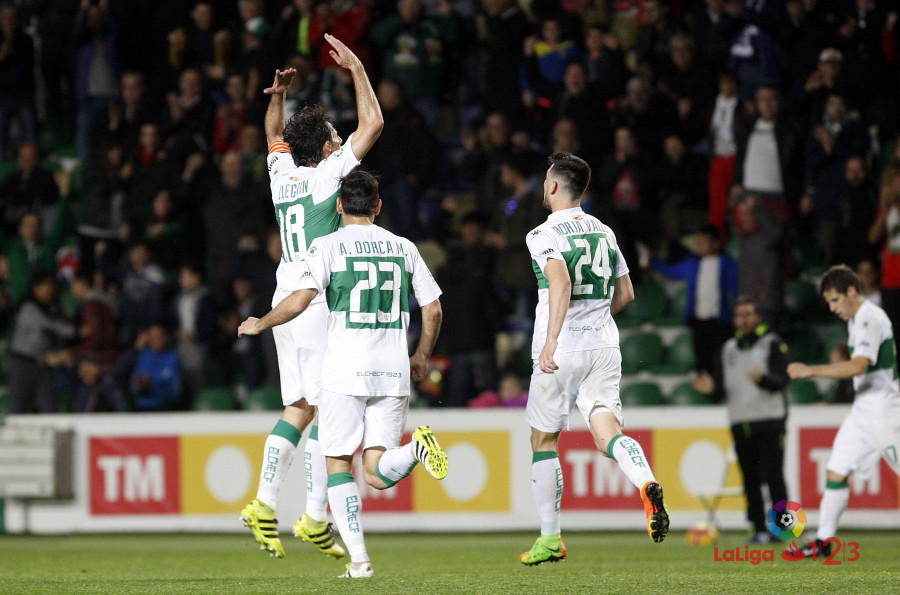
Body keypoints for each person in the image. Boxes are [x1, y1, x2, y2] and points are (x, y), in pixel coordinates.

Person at [238, 169, 448, 579]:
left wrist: (261, 323)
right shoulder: (404, 246)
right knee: (377, 470)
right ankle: (415, 451)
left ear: (338, 206)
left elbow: (299, 302)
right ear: (379, 206)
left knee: (339, 466)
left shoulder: (327, 245)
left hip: (344, 372)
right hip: (393, 372)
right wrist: (422, 354)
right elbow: (434, 308)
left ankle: (361, 562)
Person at [239, 33, 383, 560]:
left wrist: (276, 98)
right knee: (332, 407)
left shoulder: (282, 175)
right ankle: (315, 513)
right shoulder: (327, 179)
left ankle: (263, 502)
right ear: (326, 148)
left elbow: (273, 133)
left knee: (299, 404)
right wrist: (359, 70)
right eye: (334, 135)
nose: (340, 137)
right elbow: (374, 125)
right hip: (314, 298)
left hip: (284, 292)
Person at [520, 153, 669, 566]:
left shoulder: (541, 233)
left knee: (543, 440)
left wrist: (552, 340)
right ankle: (646, 481)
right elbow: (626, 294)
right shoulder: (604, 231)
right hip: (605, 346)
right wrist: (595, 319)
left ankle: (550, 538)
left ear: (552, 187)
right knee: (607, 431)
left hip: (562, 348)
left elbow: (560, 279)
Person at [787, 265, 900, 559]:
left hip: (885, 413)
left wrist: (810, 370)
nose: (832, 308)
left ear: (852, 292)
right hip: (863, 410)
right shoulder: (856, 320)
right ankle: (824, 542)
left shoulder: (869, 319)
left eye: (835, 300)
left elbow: (858, 366)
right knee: (836, 470)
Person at [693, 297, 790, 543]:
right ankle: (757, 529)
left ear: (758, 317)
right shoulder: (728, 349)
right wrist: (709, 390)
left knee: (774, 477)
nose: (743, 320)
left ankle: (781, 529)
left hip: (769, 419)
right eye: (739, 315)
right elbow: (722, 387)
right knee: (750, 480)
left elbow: (783, 380)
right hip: (740, 421)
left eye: (748, 314)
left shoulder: (772, 344)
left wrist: (764, 379)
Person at [652, 223, 739, 378]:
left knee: (722, 362)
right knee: (702, 362)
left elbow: (735, 288)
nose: (699, 245)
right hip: (699, 322)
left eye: (703, 241)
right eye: (698, 241)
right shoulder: (692, 264)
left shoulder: (728, 264)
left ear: (716, 243)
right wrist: (651, 261)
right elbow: (671, 271)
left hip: (721, 322)